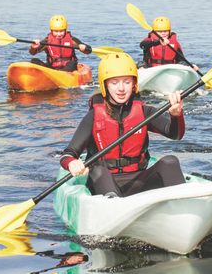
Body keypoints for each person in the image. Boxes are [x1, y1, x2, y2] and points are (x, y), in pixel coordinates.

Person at [60, 52, 186, 198]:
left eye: (126, 81)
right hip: (103, 182)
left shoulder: (145, 111)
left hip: (138, 180)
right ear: (105, 84)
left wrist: (176, 115)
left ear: (134, 83)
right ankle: (113, 205)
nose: (121, 88)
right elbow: (68, 154)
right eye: (114, 82)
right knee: (99, 171)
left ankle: (183, 205)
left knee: (170, 162)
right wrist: (71, 163)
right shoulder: (94, 116)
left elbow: (175, 134)